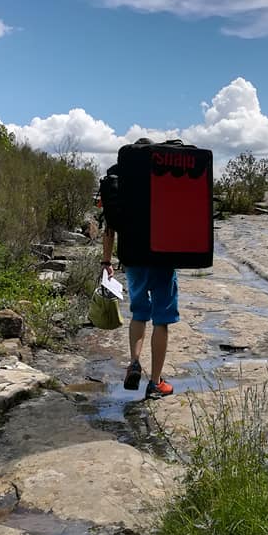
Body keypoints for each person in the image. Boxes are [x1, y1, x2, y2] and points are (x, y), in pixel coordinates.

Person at [101, 140, 178, 400]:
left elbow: (109, 228)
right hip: (162, 257)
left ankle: (134, 362)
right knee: (162, 319)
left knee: (139, 313)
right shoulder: (164, 179)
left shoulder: (120, 181)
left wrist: (106, 261)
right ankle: (156, 383)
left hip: (132, 257)